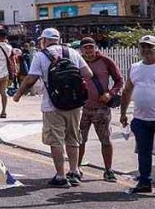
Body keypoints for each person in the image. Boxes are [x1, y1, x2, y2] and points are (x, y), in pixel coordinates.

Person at [12, 27, 93, 187]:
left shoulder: (41, 55)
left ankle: (61, 176)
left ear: (44, 40)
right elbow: (88, 73)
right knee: (73, 137)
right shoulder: (72, 52)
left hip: (52, 104)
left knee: (56, 140)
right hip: (75, 103)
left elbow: (31, 78)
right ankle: (74, 171)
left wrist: (18, 94)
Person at [78, 37, 123, 182]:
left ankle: (108, 170)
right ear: (81, 50)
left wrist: (110, 93)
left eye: (91, 47)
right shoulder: (77, 61)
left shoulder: (105, 61)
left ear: (96, 48)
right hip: (82, 108)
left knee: (105, 140)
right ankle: (75, 169)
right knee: (79, 140)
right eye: (86, 48)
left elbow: (119, 80)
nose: (89, 51)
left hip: (102, 108)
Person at [118, 34, 155, 194]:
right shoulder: (135, 67)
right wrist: (123, 113)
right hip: (140, 119)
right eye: (143, 46)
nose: (146, 49)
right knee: (143, 153)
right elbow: (127, 91)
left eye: (150, 46)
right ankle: (144, 182)